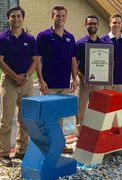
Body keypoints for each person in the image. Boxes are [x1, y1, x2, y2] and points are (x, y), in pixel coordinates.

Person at [0, 6, 38, 166]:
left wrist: (26, 77)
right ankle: (4, 153)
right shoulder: (1, 38)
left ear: (23, 19)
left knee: (25, 118)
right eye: (13, 17)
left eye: (19, 16)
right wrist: (15, 77)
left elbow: (35, 60)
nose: (16, 19)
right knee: (6, 119)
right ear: (8, 19)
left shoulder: (30, 39)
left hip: (26, 82)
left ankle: (21, 151)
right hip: (9, 83)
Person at [36, 5, 77, 153]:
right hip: (48, 83)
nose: (60, 18)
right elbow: (38, 60)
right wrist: (40, 80)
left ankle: (59, 144)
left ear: (66, 17)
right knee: (47, 115)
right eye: (57, 15)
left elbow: (73, 59)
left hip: (64, 83)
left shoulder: (70, 37)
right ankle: (46, 146)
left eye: (63, 15)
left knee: (59, 116)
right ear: (52, 17)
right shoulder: (43, 36)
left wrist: (75, 79)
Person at [75, 15, 105, 136]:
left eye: (94, 23)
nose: (92, 26)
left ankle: (95, 135)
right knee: (80, 111)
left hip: (98, 84)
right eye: (90, 24)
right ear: (85, 26)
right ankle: (80, 136)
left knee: (97, 110)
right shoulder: (79, 44)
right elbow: (74, 64)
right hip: (83, 82)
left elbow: (106, 64)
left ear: (98, 25)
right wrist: (81, 77)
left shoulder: (103, 44)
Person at [101, 13, 122, 93]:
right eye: (114, 22)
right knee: (106, 105)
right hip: (106, 81)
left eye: (119, 23)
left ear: (121, 24)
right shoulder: (102, 41)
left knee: (118, 105)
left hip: (121, 81)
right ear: (110, 23)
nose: (116, 25)